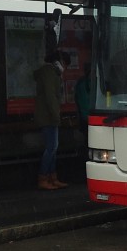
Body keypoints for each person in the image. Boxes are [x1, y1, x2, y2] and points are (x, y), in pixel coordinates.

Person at [33, 50, 69, 190]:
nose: (64, 67)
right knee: (51, 147)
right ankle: (43, 176)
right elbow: (51, 97)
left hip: (48, 116)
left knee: (53, 148)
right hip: (48, 117)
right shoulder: (49, 73)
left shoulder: (50, 73)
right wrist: (56, 115)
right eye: (64, 63)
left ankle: (51, 177)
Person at [74, 61, 93, 160]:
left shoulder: (81, 83)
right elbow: (84, 103)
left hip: (85, 117)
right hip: (88, 117)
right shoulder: (88, 84)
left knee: (87, 140)